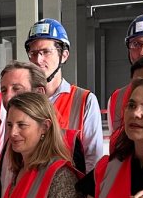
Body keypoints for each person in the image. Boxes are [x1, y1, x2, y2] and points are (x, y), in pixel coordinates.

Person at [25, 19, 104, 172]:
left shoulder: (84, 100)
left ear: (64, 55)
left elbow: (93, 160)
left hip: (71, 191)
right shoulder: (24, 101)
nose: (38, 60)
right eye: (33, 53)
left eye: (46, 52)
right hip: (32, 189)